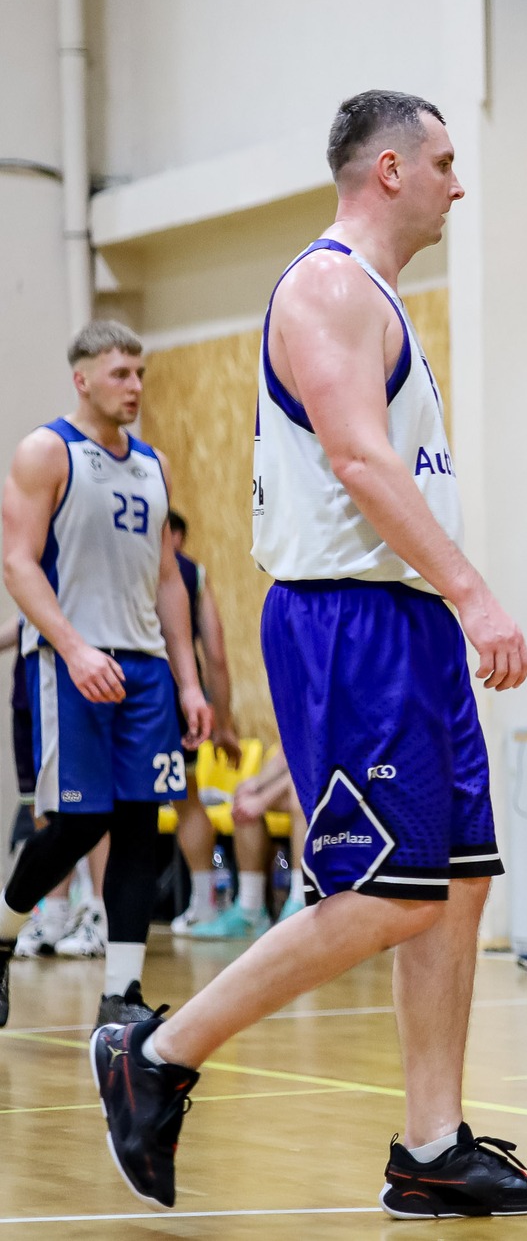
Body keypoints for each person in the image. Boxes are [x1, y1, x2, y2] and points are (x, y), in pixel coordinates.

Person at [87, 91, 527, 1216]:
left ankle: (433, 1145)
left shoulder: (377, 298)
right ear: (389, 169)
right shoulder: (327, 287)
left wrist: (448, 604)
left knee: (456, 882)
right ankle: (155, 1055)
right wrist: (475, 593)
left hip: (405, 621)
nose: (458, 183)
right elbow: (357, 458)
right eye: (443, 162)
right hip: (350, 621)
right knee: (385, 893)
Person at [0, 319, 212, 1031]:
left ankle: (121, 992)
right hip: (73, 663)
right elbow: (18, 564)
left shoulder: (153, 464)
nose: (135, 386)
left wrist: (188, 682)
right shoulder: (46, 451)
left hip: (145, 669)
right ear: (82, 378)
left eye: (140, 373)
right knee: (79, 820)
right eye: (121, 373)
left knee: (139, 824)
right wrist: (74, 647)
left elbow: (168, 580)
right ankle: (3, 930)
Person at [164, 510, 247, 935]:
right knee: (187, 799)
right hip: (179, 692)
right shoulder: (192, 573)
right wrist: (224, 724)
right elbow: (215, 654)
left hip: (119, 688)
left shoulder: (115, 557)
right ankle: (204, 904)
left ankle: (94, 910)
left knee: (107, 803)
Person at [184, 750, 308, 939]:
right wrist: (256, 784)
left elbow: (318, 765)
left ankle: (301, 901)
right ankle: (250, 908)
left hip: (345, 783)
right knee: (245, 797)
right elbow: (284, 756)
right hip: (305, 780)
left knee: (299, 796)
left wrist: (263, 799)